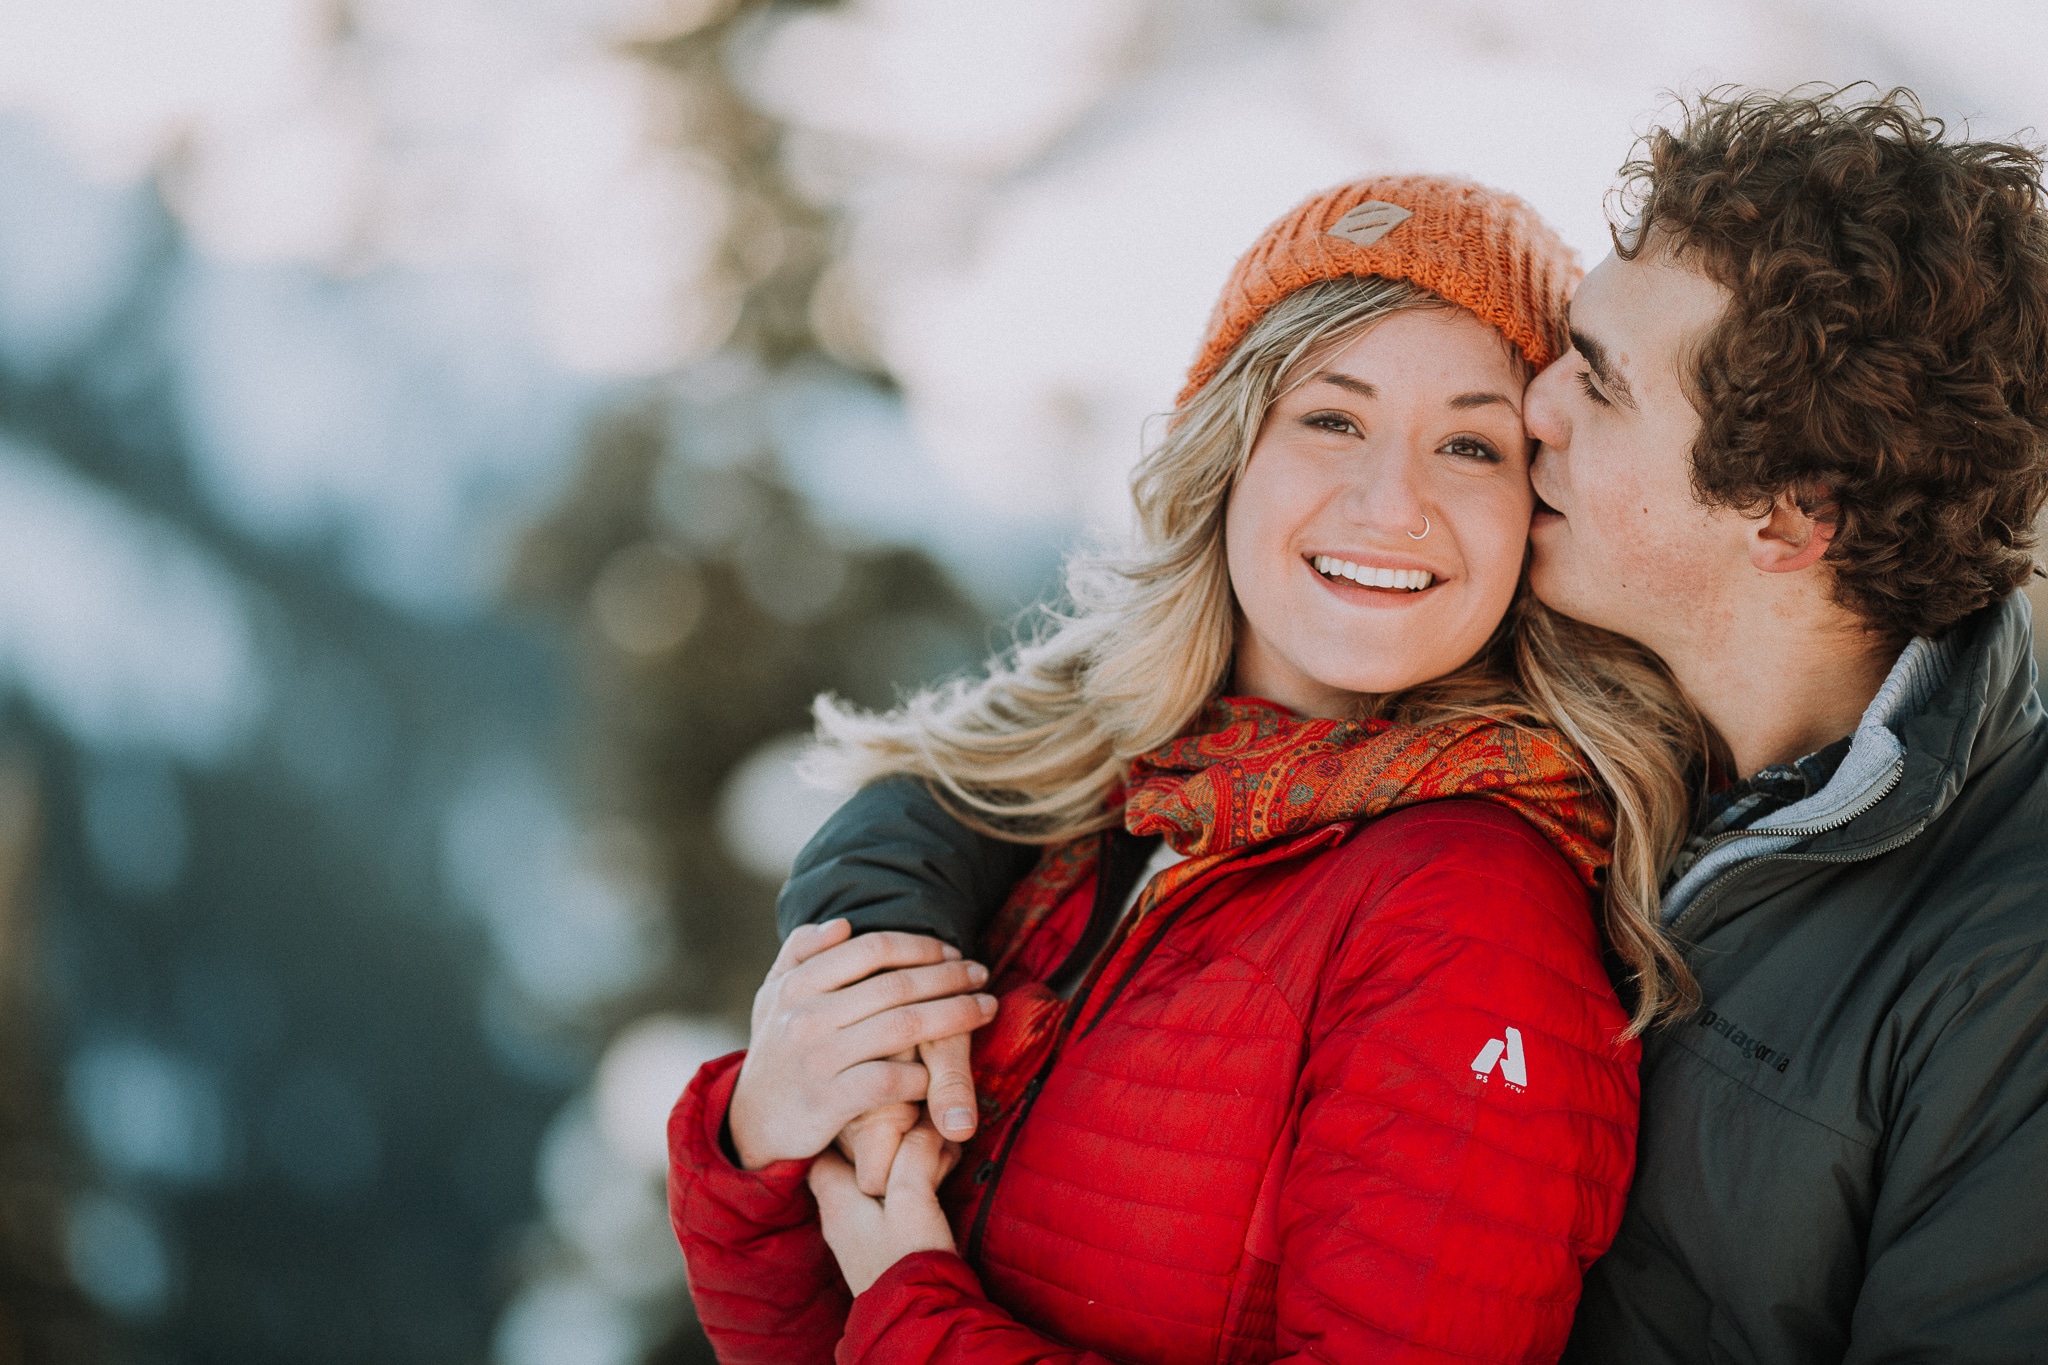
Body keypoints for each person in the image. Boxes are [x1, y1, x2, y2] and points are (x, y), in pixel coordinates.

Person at [766, 86, 2048, 1363]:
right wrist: (861, 949)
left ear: (1783, 521)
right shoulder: (1593, 727)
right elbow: (1039, 742)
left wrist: (915, 1327)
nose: (1534, 402)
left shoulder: (1995, 961)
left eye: (1593, 389)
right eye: (1329, 418)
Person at [667, 175, 1711, 1362]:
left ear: (1535, 507)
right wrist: (766, 1134)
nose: (1391, 502)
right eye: (1333, 419)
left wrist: (917, 1312)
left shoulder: (1469, 914)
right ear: (1226, 451)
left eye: (1469, 444)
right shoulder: (1110, 802)